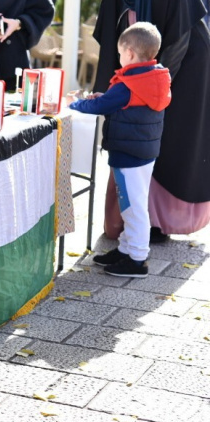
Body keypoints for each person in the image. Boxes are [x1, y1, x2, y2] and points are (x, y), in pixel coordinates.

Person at [93, 0, 210, 240]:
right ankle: (132, 220)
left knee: (169, 138)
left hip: (185, 64)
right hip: (140, 63)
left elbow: (180, 37)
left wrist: (149, 85)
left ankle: (157, 222)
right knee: (135, 131)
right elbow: (110, 33)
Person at [69, 22, 171, 278]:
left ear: (130, 54)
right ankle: (126, 249)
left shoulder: (129, 84)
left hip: (128, 155)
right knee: (133, 203)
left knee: (133, 206)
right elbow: (117, 102)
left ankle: (137, 258)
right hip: (143, 153)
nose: (119, 57)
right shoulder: (151, 78)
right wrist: (105, 97)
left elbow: (101, 106)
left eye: (119, 52)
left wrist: (75, 104)